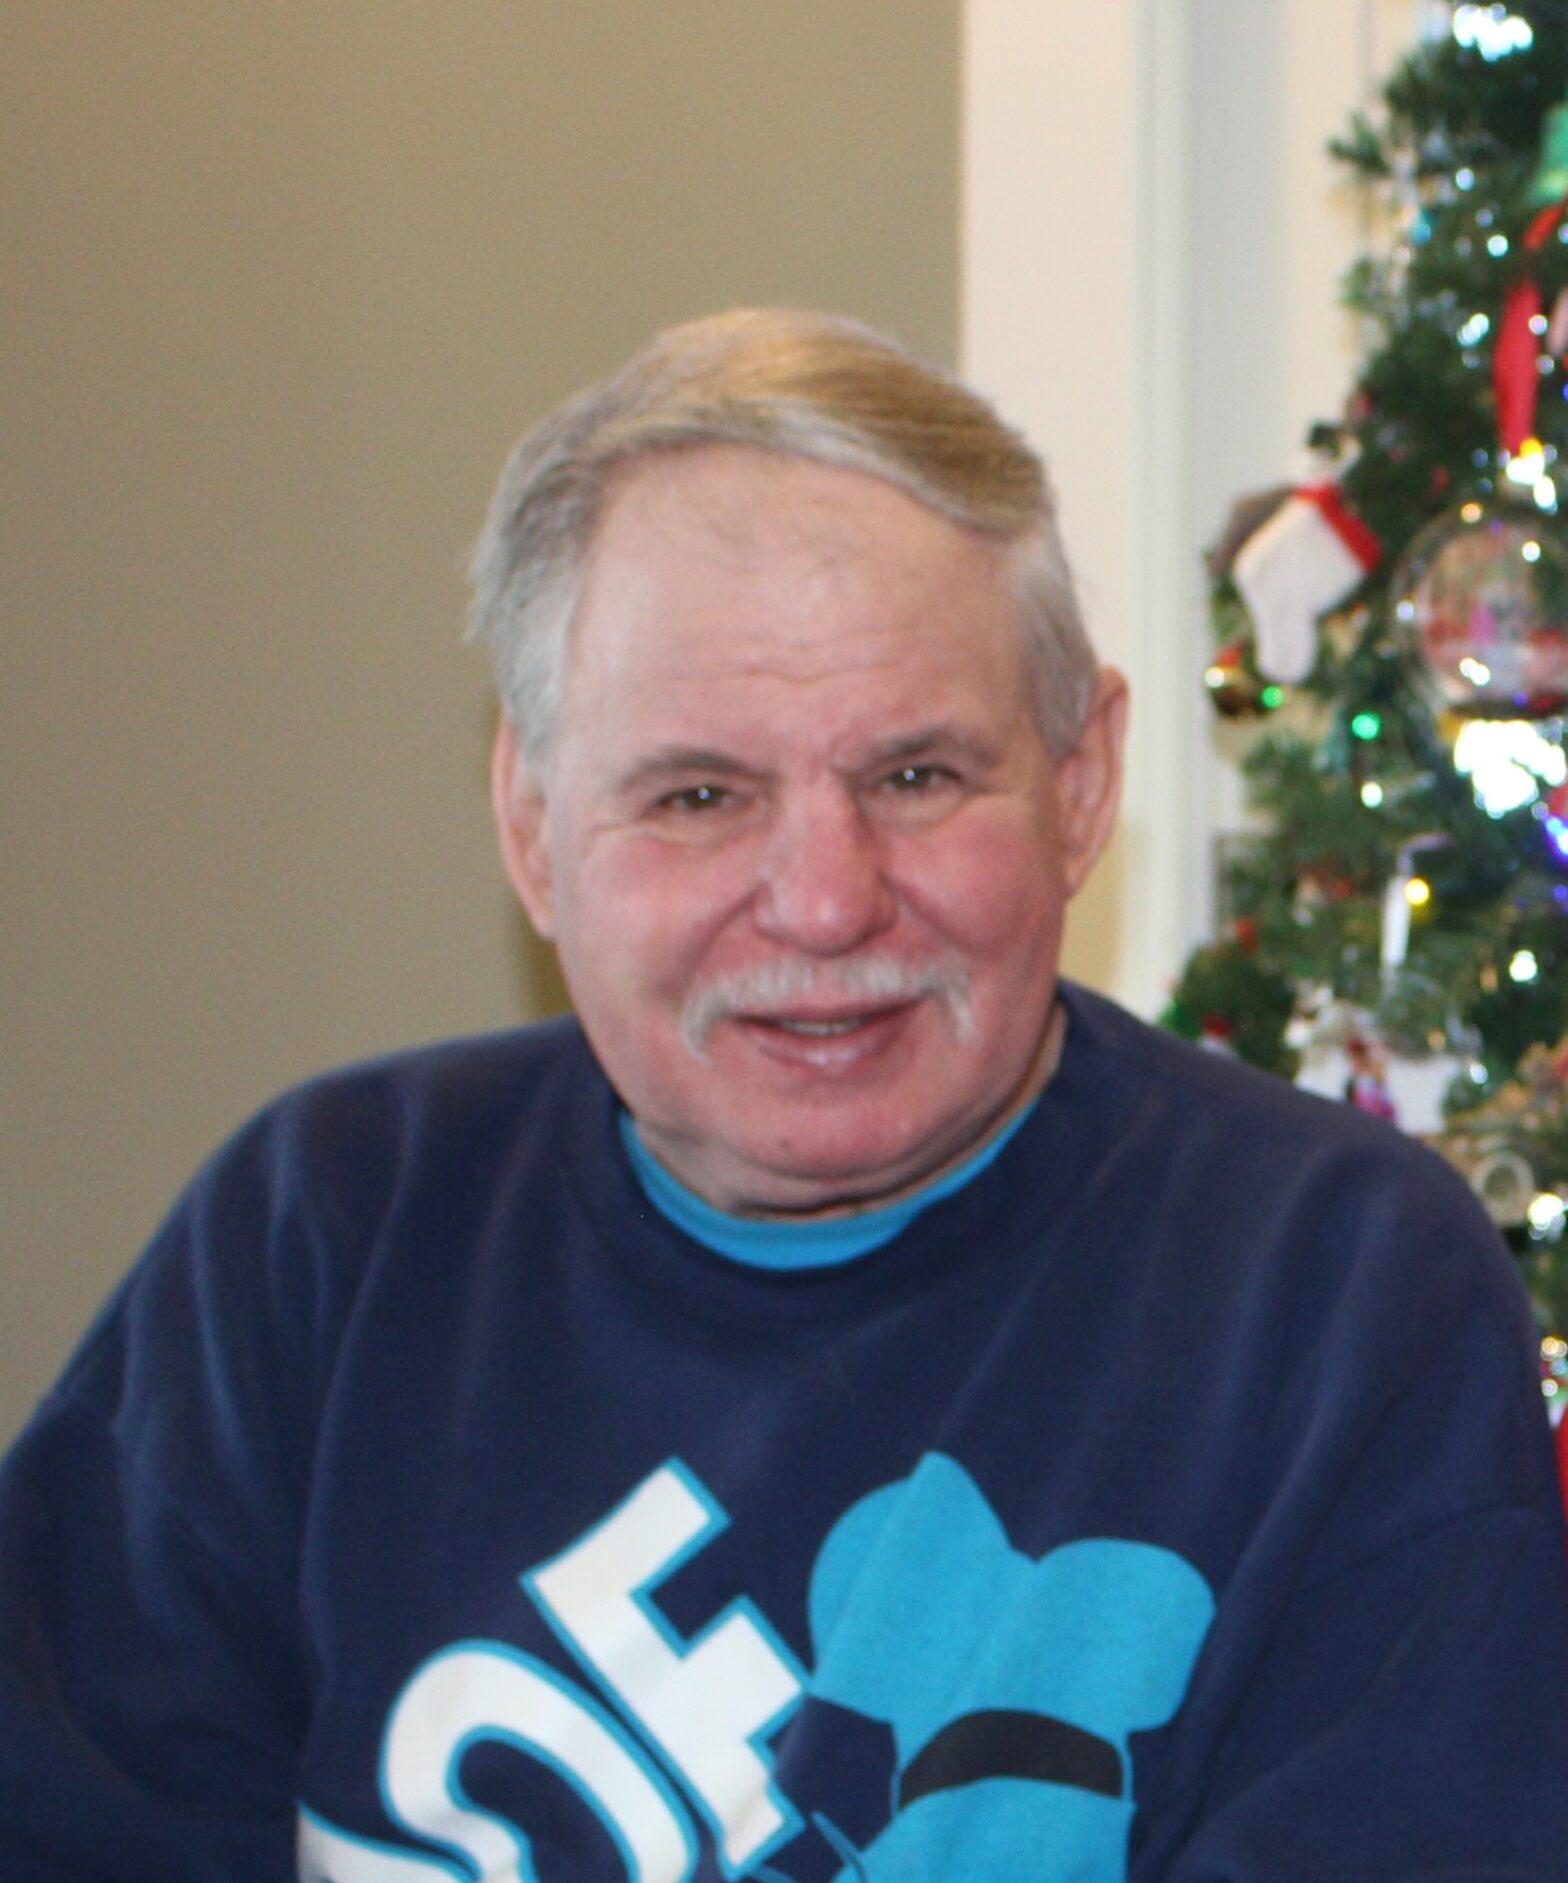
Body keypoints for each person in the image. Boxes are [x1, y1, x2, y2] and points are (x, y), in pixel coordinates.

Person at [1, 310, 1565, 1882]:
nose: (824, 902)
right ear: (534, 831)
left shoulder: (1341, 1295)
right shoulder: (323, 1236)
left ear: (1080, 786)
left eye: (916, 777)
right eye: (699, 795)